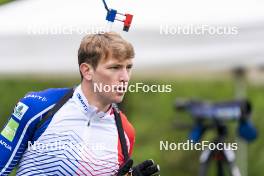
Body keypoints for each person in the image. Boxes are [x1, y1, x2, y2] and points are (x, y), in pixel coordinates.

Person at [0, 32, 159, 176]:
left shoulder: (125, 131)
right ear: (87, 71)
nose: (125, 77)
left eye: (128, 67)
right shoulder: (37, 106)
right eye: (115, 67)